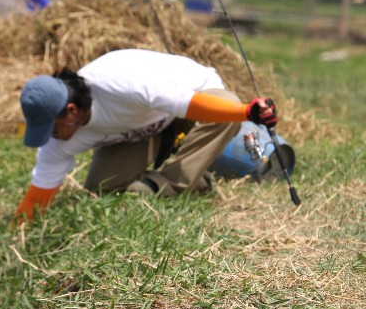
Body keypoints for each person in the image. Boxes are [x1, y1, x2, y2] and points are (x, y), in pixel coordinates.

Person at [14, 48, 278, 222]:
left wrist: (246, 112)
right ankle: (199, 181)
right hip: (146, 130)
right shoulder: (58, 138)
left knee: (227, 108)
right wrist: (18, 236)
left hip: (192, 99)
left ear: (71, 111)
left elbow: (186, 104)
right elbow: (38, 196)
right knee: (101, 189)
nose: (52, 138)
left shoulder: (119, 83)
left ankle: (166, 183)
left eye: (52, 129)